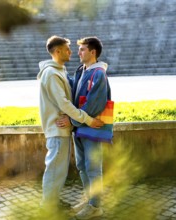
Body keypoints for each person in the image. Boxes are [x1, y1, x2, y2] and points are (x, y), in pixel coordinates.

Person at [37, 35, 104, 212]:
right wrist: (87, 119)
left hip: (69, 128)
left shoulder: (62, 71)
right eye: (68, 49)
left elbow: (80, 96)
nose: (72, 52)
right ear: (58, 51)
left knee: (62, 170)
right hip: (58, 128)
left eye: (80, 49)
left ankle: (88, 204)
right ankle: (48, 206)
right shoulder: (52, 73)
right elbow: (65, 103)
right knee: (55, 169)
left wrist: (74, 121)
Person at [56, 36, 111, 219]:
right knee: (81, 166)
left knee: (93, 167)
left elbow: (94, 104)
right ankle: (90, 201)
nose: (78, 52)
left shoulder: (99, 74)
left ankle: (96, 206)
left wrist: (73, 121)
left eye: (82, 49)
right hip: (81, 127)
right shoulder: (81, 70)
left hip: (93, 127)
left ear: (92, 52)